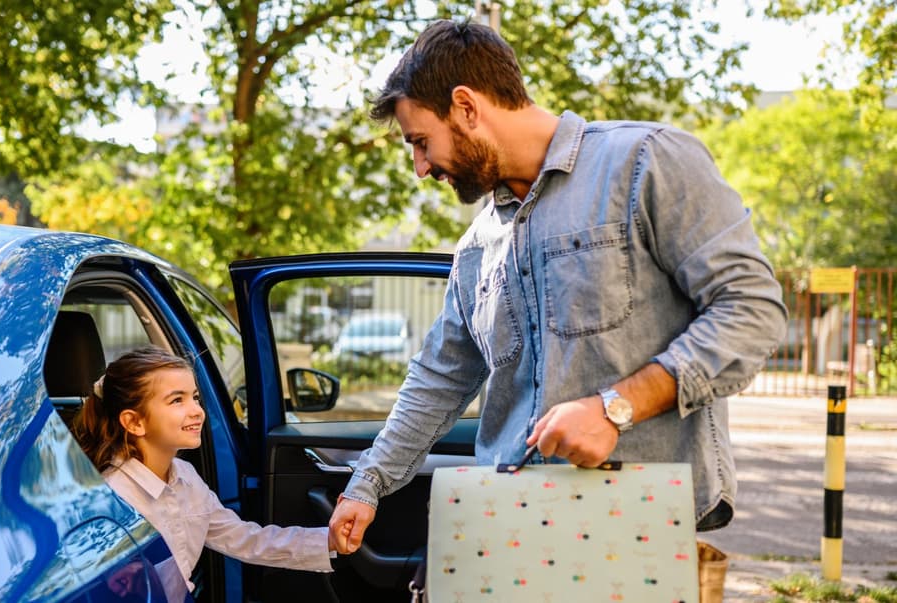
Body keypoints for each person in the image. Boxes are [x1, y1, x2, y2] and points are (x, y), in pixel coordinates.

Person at [329, 19, 787, 555]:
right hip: (513, 533)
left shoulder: (646, 162)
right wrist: (368, 484)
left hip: (639, 535)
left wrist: (616, 407)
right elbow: (440, 376)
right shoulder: (477, 244)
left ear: (466, 106)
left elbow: (752, 311)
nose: (420, 168)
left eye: (421, 142)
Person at [72, 345, 340, 600]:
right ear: (134, 422)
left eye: (195, 398)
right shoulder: (110, 497)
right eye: (177, 400)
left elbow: (244, 539)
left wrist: (327, 540)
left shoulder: (186, 476)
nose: (196, 411)